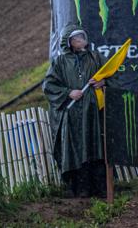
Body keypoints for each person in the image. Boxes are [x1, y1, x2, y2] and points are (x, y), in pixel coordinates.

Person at [43, 25, 107, 197]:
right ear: (69, 42)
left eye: (82, 36)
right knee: (77, 151)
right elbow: (49, 85)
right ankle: (82, 189)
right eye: (77, 38)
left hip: (94, 115)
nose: (81, 39)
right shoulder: (60, 62)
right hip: (73, 117)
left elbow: (112, 76)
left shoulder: (96, 58)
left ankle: (101, 188)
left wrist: (103, 83)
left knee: (97, 148)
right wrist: (68, 93)